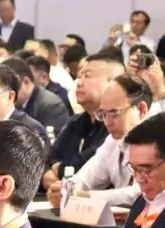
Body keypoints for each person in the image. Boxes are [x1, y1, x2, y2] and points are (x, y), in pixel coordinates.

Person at [48, 74, 151, 208]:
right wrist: (63, 190)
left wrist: (82, 196)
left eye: (114, 113)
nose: (107, 122)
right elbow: (85, 178)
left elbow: (140, 193)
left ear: (141, 110)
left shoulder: (159, 140)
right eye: (103, 114)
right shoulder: (113, 141)